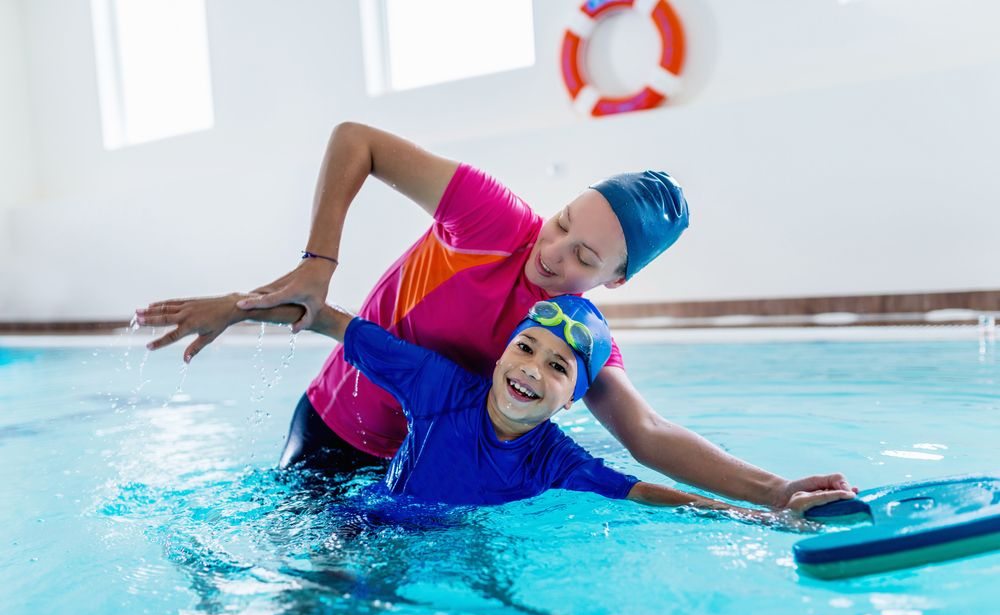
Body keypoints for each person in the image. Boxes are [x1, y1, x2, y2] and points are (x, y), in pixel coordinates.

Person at [138, 121, 858, 510]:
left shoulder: (573, 337)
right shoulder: (489, 216)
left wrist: (774, 489)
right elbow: (355, 139)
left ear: (616, 279)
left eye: (584, 256)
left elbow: (648, 433)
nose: (553, 253)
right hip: (331, 429)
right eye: (562, 222)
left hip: (413, 472)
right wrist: (311, 266)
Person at [137, 291, 853, 521]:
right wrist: (233, 309)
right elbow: (333, 322)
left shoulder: (556, 457)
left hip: (447, 538)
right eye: (526, 349)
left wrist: (767, 512)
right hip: (366, 520)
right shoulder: (442, 388)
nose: (532, 370)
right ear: (502, 353)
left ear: (574, 398)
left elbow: (652, 495)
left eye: (558, 366)